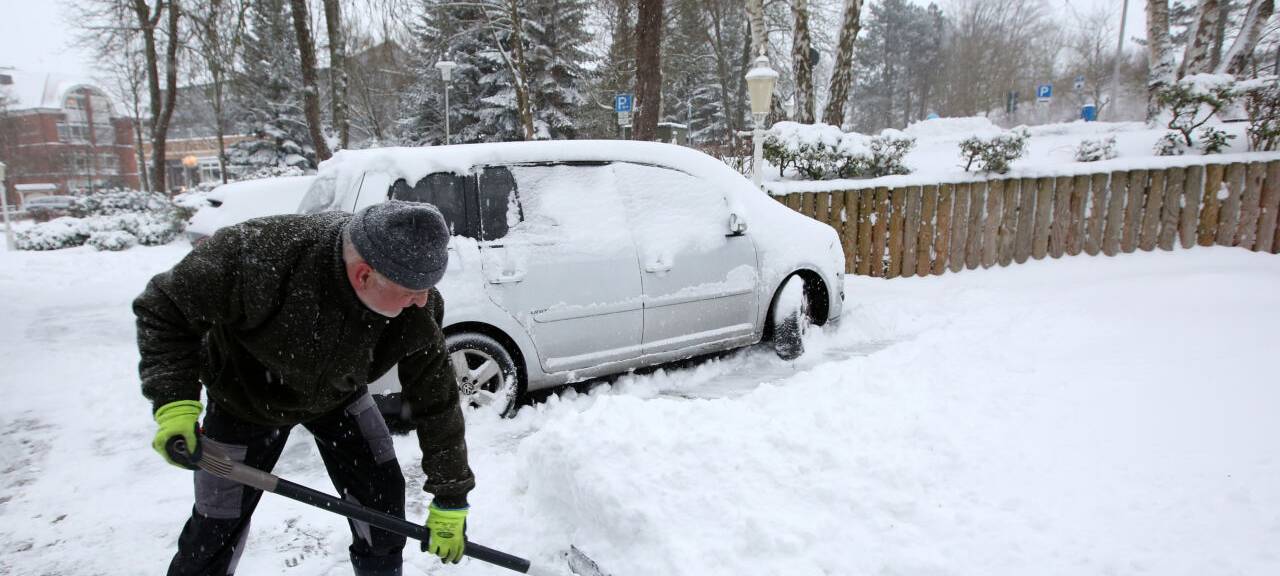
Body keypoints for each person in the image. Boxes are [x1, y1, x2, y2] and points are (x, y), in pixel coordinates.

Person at [134, 200, 475, 576]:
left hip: (338, 396)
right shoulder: (256, 255)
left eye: (428, 288)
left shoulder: (417, 312)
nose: (423, 300)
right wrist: (175, 405)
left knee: (382, 511)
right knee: (215, 530)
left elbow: (436, 399)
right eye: (412, 291)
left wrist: (451, 496)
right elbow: (164, 307)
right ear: (364, 276)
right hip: (243, 400)